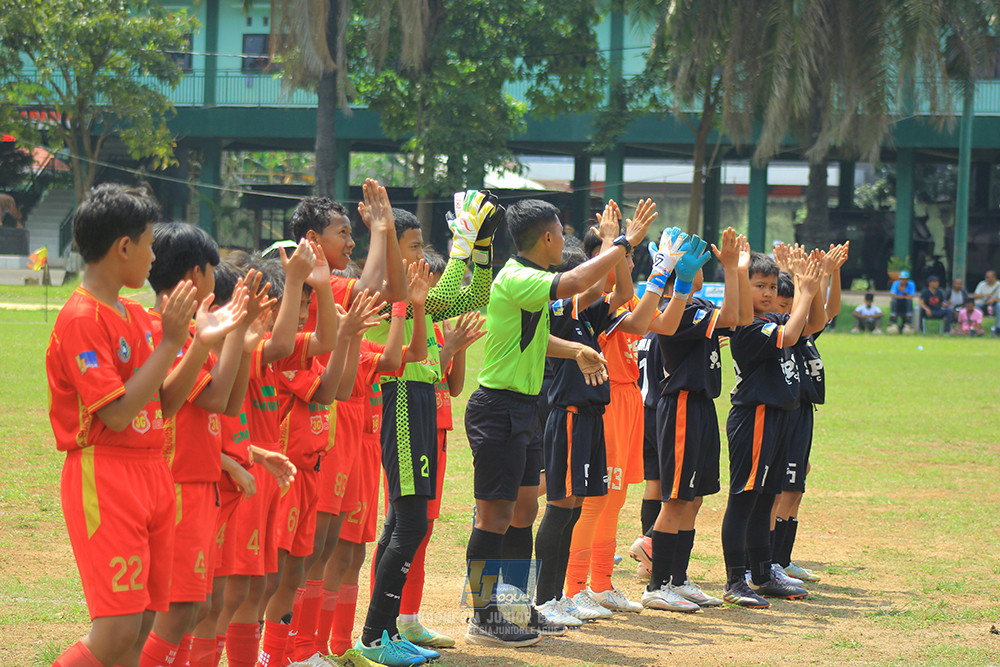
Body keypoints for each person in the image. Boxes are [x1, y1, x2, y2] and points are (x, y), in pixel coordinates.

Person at [463, 197, 651, 647]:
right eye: (562, 231)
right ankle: (482, 616)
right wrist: (623, 243)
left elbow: (543, 332)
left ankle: (513, 605)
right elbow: (579, 281)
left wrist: (576, 349)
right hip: (498, 407)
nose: (565, 238)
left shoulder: (533, 281)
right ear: (547, 237)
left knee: (524, 510)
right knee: (494, 516)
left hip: (525, 408)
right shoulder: (520, 277)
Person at [45, 183, 215, 667]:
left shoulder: (138, 315)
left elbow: (161, 405)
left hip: (152, 472)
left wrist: (198, 342)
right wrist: (170, 345)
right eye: (147, 241)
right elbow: (117, 414)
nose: (153, 252)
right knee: (117, 629)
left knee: (141, 627)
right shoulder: (81, 318)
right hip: (106, 474)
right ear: (123, 247)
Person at [140, 223, 254, 667]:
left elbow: (226, 401)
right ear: (194, 275)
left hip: (199, 481)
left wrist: (239, 341)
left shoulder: (190, 330)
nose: (217, 277)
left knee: (196, 606)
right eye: (212, 268)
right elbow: (211, 396)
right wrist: (227, 335)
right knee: (178, 608)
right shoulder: (168, 331)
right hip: (180, 481)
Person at [638, 228, 751, 614]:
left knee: (695, 497)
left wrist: (736, 270)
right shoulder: (679, 307)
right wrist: (733, 270)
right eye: (689, 258)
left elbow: (742, 319)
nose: (698, 261)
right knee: (676, 498)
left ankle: (678, 578)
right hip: (682, 405)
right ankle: (658, 585)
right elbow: (736, 314)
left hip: (701, 405)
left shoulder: (696, 303)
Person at [720, 251, 821, 609]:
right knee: (745, 498)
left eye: (772, 285)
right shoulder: (746, 327)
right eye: (758, 285)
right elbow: (792, 331)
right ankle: (736, 580)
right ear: (740, 288)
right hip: (756, 417)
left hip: (779, 415)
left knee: (766, 498)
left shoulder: (773, 317)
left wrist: (810, 282)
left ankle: (763, 573)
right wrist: (805, 291)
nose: (767, 292)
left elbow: (811, 323)